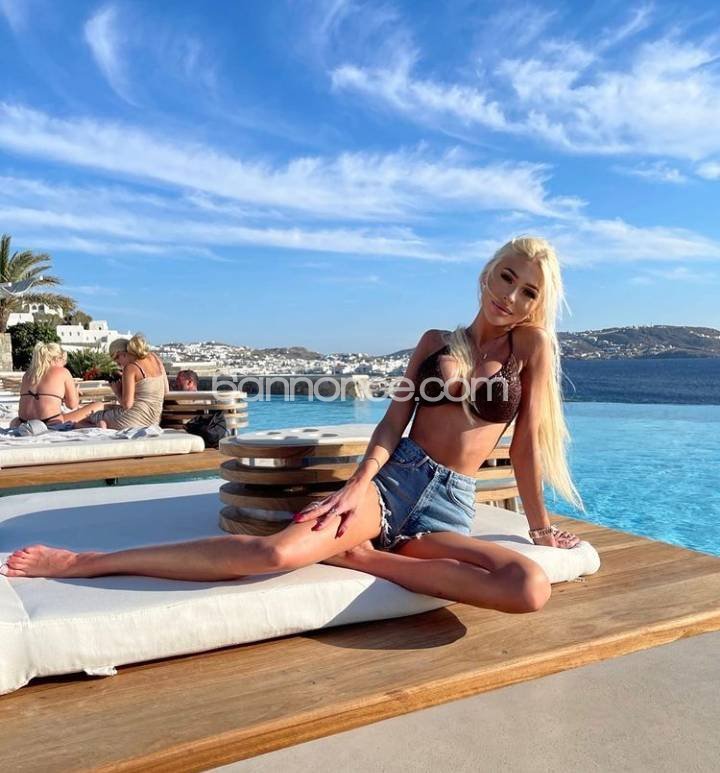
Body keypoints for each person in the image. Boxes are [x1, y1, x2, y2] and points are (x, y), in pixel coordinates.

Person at [1, 237, 580, 616]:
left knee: (527, 587)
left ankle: (364, 557)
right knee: (274, 554)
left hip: (448, 505)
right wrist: (358, 485)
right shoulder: (435, 342)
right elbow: (391, 424)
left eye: (528, 291)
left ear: (537, 302)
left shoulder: (529, 347)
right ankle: (86, 562)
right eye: (506, 277)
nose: (511, 296)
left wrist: (540, 526)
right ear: (486, 274)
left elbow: (527, 445)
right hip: (391, 485)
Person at [11, 342, 104, 428]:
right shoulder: (63, 372)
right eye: (64, 361)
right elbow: (72, 405)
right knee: (98, 405)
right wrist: (75, 393)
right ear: (57, 359)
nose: (64, 365)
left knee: (15, 421)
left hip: (23, 422)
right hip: (50, 422)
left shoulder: (28, 374)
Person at [89, 334, 169, 430]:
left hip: (132, 420)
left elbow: (127, 405)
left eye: (118, 361)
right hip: (154, 421)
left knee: (92, 417)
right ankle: (102, 426)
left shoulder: (130, 368)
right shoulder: (154, 358)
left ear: (122, 354)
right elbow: (166, 390)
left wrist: (117, 391)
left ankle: (101, 426)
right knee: (107, 411)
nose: (119, 365)